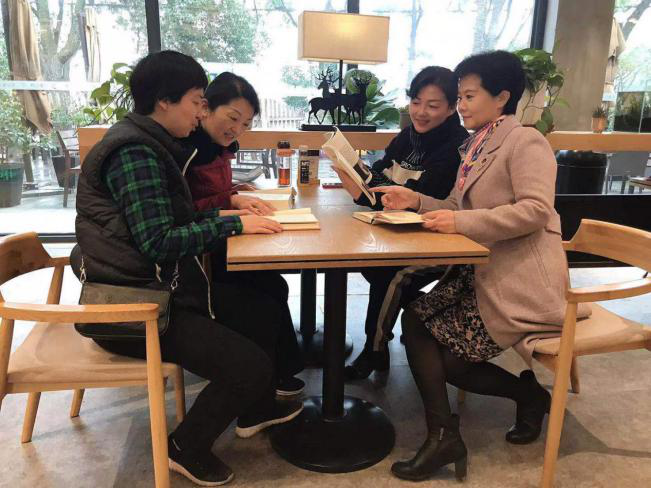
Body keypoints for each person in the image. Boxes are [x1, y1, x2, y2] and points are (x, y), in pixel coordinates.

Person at [71, 51, 302, 487]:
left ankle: (254, 410)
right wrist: (232, 223)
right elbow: (159, 242)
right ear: (164, 101)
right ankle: (183, 447)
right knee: (250, 366)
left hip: (159, 288)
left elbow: (169, 222)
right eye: (197, 101)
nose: (200, 113)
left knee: (261, 309)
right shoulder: (135, 152)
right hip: (135, 307)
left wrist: (227, 211)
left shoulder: (150, 143)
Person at [373, 51, 568, 482]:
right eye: (460, 96)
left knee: (448, 359)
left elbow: (536, 210)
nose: (461, 104)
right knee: (417, 322)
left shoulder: (525, 141)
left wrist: (459, 222)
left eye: (468, 96)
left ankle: (471, 423)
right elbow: (457, 206)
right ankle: (469, 422)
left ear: (502, 97)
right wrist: (416, 200)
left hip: (517, 279)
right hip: (478, 272)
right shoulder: (478, 143)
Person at [331, 66, 468, 381]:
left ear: (452, 108)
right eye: (416, 102)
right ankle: (423, 314)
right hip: (400, 231)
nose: (420, 112)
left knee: (388, 275)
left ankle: (375, 350)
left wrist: (369, 191)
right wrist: (358, 177)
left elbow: (417, 200)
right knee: (373, 266)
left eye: (432, 105)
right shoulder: (407, 136)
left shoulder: (456, 147)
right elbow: (381, 174)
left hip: (438, 237)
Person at [182, 72, 304, 396]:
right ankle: (267, 381)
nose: (237, 129)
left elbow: (210, 194)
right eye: (233, 118)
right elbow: (187, 209)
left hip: (218, 243)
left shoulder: (217, 147)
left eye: (246, 124)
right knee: (265, 292)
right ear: (206, 108)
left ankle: (281, 369)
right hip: (201, 257)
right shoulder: (188, 150)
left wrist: (234, 192)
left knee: (273, 283)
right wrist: (231, 200)